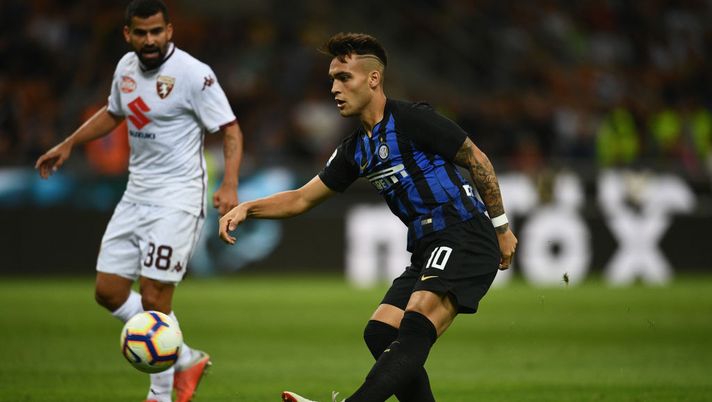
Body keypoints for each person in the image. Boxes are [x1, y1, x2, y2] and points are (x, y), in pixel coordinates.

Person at [218, 32, 517, 402]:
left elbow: (476, 158)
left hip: (464, 234)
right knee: (380, 332)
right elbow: (300, 199)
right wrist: (248, 207)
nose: (334, 88)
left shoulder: (412, 120)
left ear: (373, 79)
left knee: (416, 321)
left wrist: (502, 227)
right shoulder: (355, 149)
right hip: (428, 247)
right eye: (332, 79)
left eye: (344, 77)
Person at [35, 1, 244, 401]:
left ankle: (159, 395)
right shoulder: (126, 69)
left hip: (179, 195)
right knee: (108, 291)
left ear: (169, 30)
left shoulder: (194, 74)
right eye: (142, 33)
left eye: (156, 31)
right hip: (137, 193)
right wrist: (69, 143)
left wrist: (229, 183)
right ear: (127, 34)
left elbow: (231, 130)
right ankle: (186, 357)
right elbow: (113, 113)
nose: (150, 40)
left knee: (153, 297)